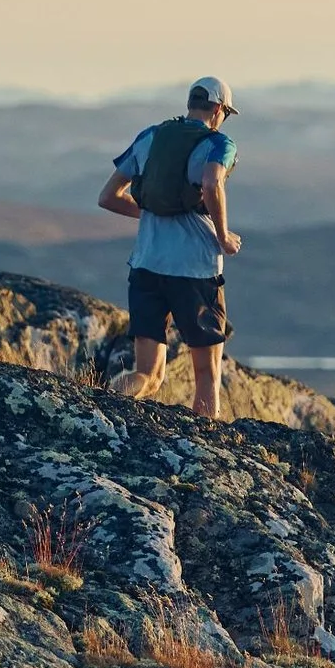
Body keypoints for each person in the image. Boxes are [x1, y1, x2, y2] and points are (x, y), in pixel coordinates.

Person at [99, 76, 241, 419]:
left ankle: (98, 411)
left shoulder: (151, 136)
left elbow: (107, 197)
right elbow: (211, 182)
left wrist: (151, 212)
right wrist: (223, 236)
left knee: (147, 375)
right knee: (207, 374)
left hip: (147, 265)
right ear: (220, 109)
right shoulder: (219, 144)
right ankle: (206, 449)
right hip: (195, 270)